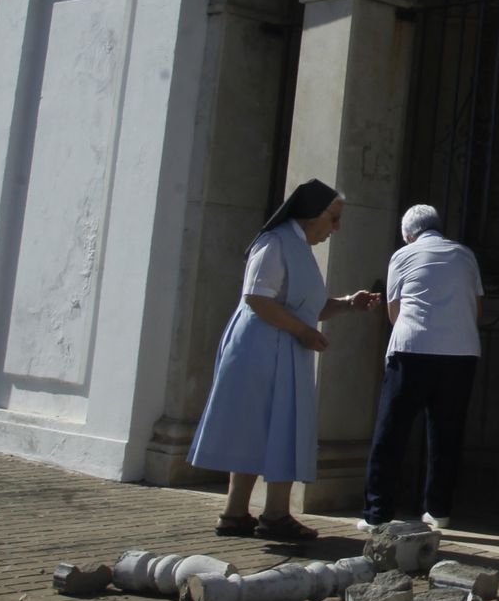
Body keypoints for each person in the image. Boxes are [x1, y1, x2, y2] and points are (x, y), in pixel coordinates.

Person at [189, 177, 382, 546]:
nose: (336, 228)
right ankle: (268, 514)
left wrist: (347, 303)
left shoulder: (299, 247)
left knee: (267, 424)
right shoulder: (275, 242)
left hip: (282, 345)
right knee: (270, 424)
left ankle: (238, 514)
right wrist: (304, 333)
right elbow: (258, 298)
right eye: (334, 219)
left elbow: (308, 306)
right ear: (312, 215)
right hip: (261, 348)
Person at [360, 203, 484, 534]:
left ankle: (377, 512)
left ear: (408, 235)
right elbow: (476, 306)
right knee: (446, 433)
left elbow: (393, 310)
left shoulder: (403, 256)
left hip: (412, 350)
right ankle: (438, 509)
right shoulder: (465, 255)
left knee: (391, 430)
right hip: (460, 353)